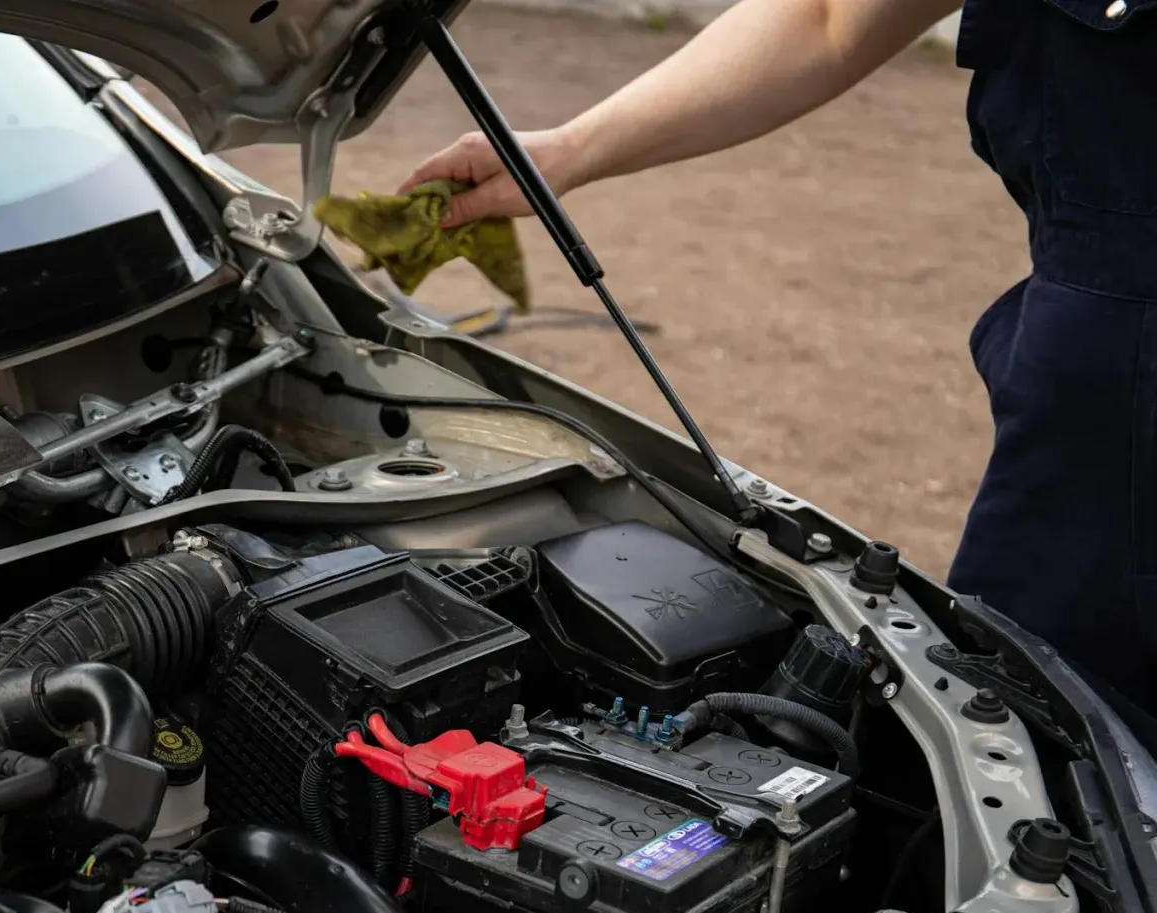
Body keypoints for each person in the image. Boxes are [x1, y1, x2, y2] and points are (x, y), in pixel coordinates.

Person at [403, 0, 1157, 713]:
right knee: (1044, 736)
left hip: (1109, 393)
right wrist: (566, 153)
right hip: (1095, 402)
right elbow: (830, 20)